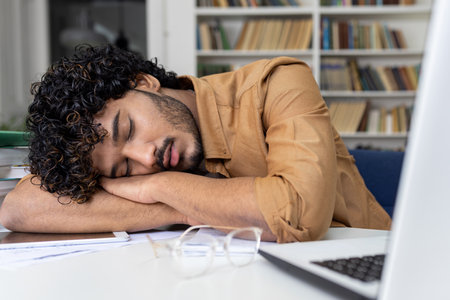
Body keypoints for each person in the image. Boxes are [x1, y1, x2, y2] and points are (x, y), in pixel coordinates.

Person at [0, 45, 391, 243]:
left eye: (127, 130)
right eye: (123, 171)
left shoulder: (277, 84)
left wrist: (159, 189)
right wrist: (200, 206)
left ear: (144, 83)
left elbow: (298, 215)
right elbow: (18, 208)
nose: (144, 159)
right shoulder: (150, 154)